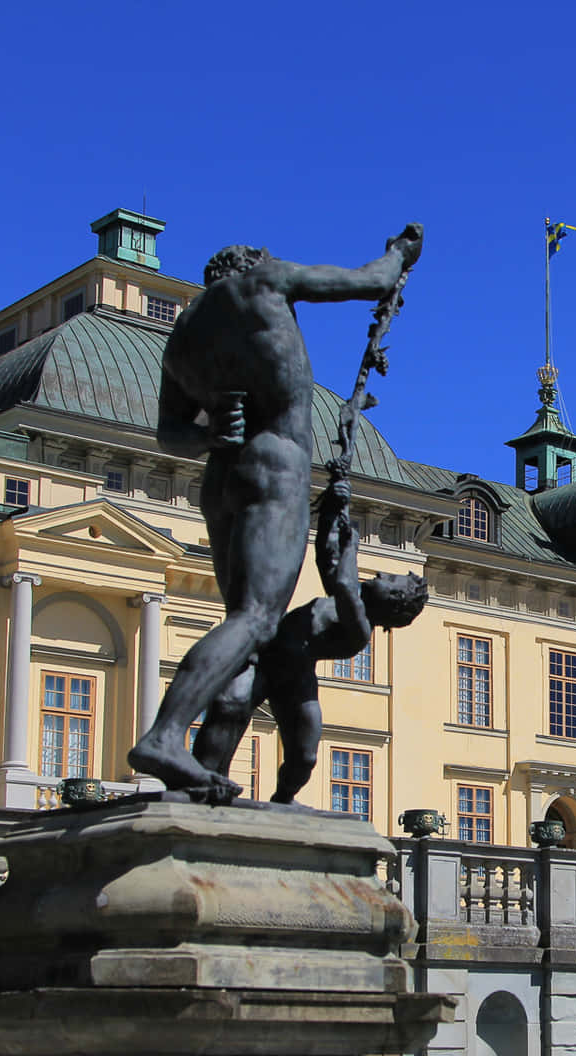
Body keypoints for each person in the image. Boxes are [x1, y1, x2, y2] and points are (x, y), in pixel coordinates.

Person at [127, 225, 423, 799]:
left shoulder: (183, 337)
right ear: (254, 264)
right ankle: (164, 735)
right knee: (257, 620)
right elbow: (372, 281)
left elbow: (170, 433)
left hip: (221, 478)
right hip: (275, 468)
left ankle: (197, 772)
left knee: (243, 628)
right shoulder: (267, 281)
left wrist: (209, 434)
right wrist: (401, 254)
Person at [191, 463, 427, 804]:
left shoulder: (359, 627)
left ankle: (283, 799)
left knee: (304, 754)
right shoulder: (341, 599)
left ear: (394, 602)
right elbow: (326, 557)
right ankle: (205, 777)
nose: (379, 574)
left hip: (295, 678)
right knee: (228, 707)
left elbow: (344, 583)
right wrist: (333, 507)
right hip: (265, 655)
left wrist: (352, 545)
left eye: (390, 580)